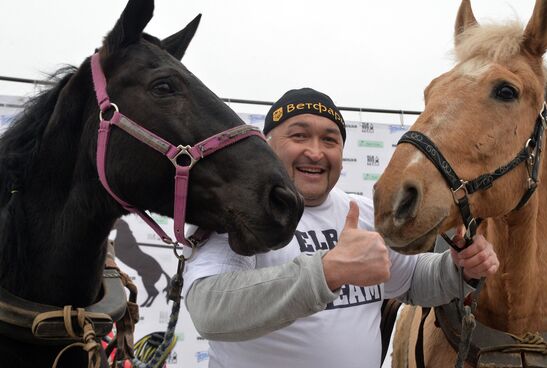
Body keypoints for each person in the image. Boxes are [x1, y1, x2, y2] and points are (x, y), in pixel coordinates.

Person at [182, 87, 500, 368]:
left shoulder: (364, 213)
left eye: (330, 140)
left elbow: (412, 281)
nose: (316, 151)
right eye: (299, 135)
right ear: (267, 145)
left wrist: (460, 269)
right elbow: (209, 310)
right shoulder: (237, 212)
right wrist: (328, 271)